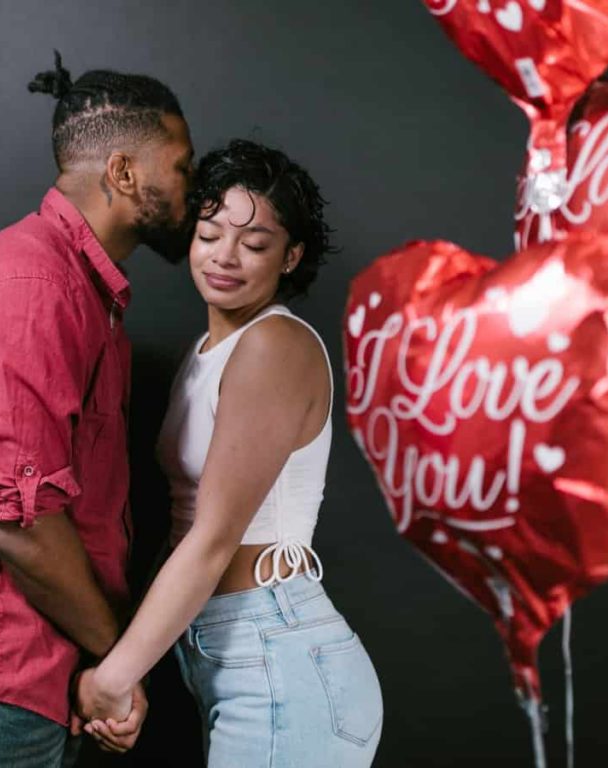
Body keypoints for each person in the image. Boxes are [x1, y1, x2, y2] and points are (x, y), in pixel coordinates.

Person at [0, 53, 194, 767]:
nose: (191, 186)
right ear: (122, 173)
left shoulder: (78, 291)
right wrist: (117, 661)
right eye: (180, 164)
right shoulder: (34, 285)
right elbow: (21, 526)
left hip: (21, 685)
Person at [74, 140, 383, 767]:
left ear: (291, 255)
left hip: (280, 655)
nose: (225, 256)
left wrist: (112, 678)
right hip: (234, 654)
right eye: (210, 233)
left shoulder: (274, 345)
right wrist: (133, 665)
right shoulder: (208, 353)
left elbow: (214, 539)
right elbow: (183, 528)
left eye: (256, 243)